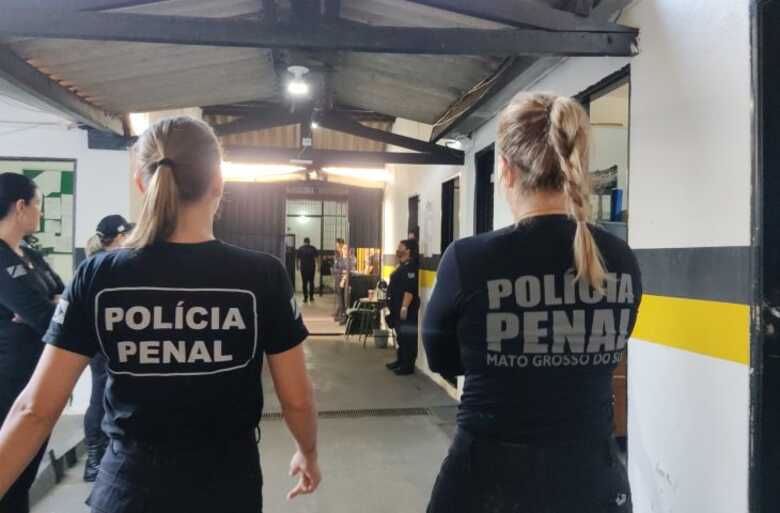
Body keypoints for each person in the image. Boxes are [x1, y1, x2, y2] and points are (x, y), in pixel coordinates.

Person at [0, 117, 321, 513]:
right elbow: (297, 399)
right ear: (218, 183)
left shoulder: (98, 275)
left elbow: (34, 411)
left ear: (141, 182)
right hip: (226, 490)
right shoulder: (262, 276)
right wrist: (308, 452)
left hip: (127, 491)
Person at [423, 93, 642, 513]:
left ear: (505, 170)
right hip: (591, 484)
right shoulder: (620, 258)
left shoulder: (468, 259)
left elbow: (442, 358)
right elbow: (610, 347)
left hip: (486, 481)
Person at [0, 172, 65, 513]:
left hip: (37, 379)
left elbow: (66, 300)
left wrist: (50, 306)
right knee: (8, 479)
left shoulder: (30, 254)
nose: (41, 211)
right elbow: (43, 315)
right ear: (21, 206)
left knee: (23, 478)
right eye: (38, 204)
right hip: (8, 384)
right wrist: (50, 306)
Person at [81, 214, 135, 482]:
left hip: (108, 341)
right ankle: (94, 460)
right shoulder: (102, 266)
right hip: (102, 343)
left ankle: (101, 456)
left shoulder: (103, 263)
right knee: (100, 395)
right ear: (121, 237)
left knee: (105, 394)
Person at [385, 239, 419, 376]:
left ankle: (407, 366)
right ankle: (400, 361)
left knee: (407, 337)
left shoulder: (410, 267)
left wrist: (404, 307)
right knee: (401, 337)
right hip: (396, 308)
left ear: (408, 251)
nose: (398, 249)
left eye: (401, 247)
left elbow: (409, 290)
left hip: (405, 310)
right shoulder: (402, 265)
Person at [297, 237, 318, 304]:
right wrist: (318, 267)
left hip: (303, 268)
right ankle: (311, 298)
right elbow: (316, 258)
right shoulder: (313, 248)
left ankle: (305, 298)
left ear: (304, 242)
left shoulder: (300, 248)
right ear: (309, 242)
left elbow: (297, 258)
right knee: (311, 282)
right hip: (311, 268)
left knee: (304, 283)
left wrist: (297, 266)